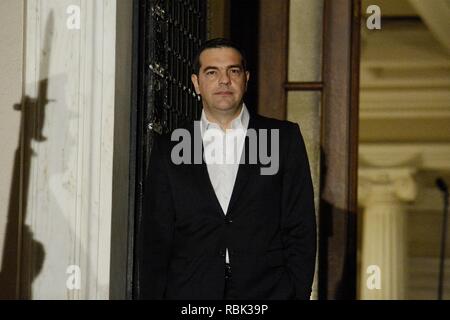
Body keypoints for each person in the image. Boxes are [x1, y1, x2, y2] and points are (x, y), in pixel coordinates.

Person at [140, 38, 316, 300]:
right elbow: (156, 237)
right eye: (212, 72)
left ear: (246, 79)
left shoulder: (283, 139)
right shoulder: (170, 147)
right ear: (196, 83)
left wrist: (293, 293)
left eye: (233, 71)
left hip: (267, 294)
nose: (224, 80)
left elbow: (300, 225)